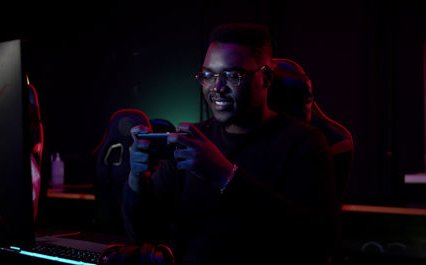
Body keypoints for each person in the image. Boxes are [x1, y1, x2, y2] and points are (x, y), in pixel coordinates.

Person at [122, 23, 338, 265]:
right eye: (208, 75)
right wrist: (138, 179)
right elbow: (143, 233)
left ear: (265, 78)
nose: (217, 88)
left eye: (232, 76)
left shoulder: (304, 142)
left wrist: (223, 175)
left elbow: (316, 242)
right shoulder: (192, 139)